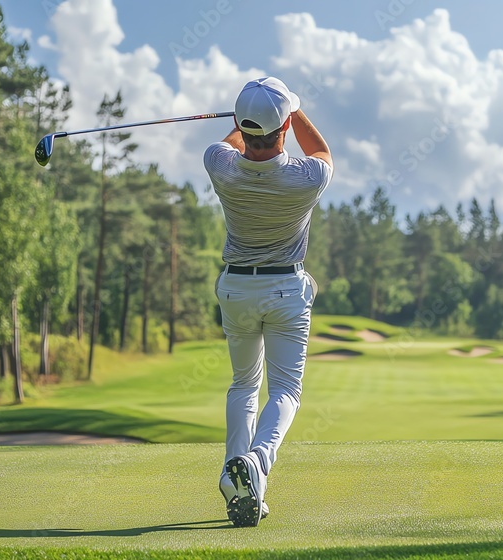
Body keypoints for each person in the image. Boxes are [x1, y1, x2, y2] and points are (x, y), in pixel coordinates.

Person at [203, 76, 333, 527]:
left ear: (242, 123)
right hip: (285, 291)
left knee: (243, 385)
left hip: (237, 288)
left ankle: (235, 477)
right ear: (284, 129)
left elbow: (230, 141)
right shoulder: (306, 178)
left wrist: (242, 122)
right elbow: (322, 152)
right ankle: (257, 464)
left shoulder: (218, 165)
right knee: (285, 391)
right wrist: (291, 111)